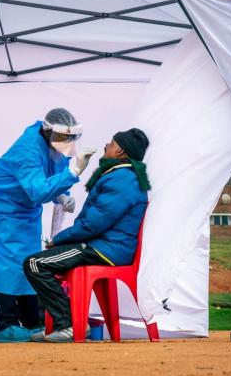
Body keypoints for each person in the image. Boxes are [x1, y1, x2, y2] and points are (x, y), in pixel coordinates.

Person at [0, 108, 97, 342]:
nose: (67, 144)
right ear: (47, 131)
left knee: (29, 260)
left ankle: (32, 322)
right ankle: (6, 324)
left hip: (26, 207)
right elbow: (38, 188)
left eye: (70, 138)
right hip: (1, 204)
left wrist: (61, 194)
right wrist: (72, 173)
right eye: (62, 138)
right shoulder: (28, 148)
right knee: (7, 262)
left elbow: (50, 174)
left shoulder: (53, 143)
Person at [24, 128, 150, 343]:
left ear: (121, 152)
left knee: (35, 263)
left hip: (104, 249)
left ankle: (69, 324)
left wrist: (58, 239)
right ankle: (63, 323)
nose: (105, 146)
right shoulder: (121, 176)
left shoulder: (122, 179)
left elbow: (94, 224)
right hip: (104, 246)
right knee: (44, 261)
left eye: (111, 143)